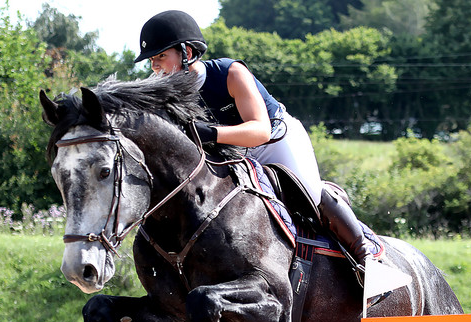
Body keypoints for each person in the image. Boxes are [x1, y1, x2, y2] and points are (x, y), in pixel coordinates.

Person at [134, 10, 380, 274]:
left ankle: (365, 256)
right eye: (151, 60)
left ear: (188, 53)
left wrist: (211, 133)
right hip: (232, 155)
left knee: (309, 192)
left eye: (161, 56)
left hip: (275, 142)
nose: (155, 66)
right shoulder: (166, 93)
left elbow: (260, 130)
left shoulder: (230, 73)